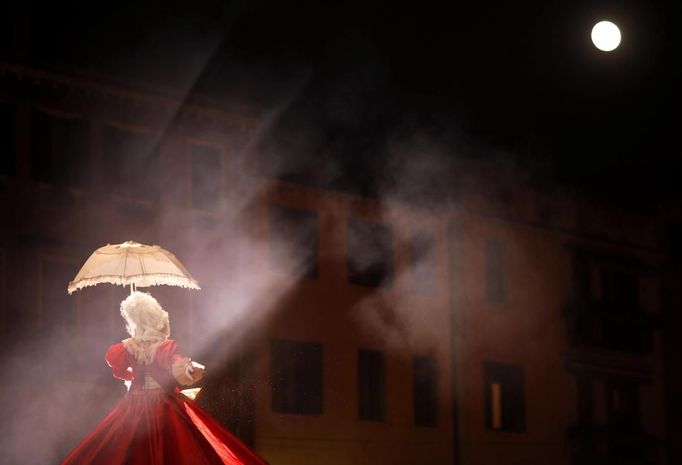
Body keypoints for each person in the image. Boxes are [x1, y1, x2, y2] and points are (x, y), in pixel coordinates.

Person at [60, 291, 269, 465]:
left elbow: (120, 370)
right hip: (163, 405)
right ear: (156, 320)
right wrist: (188, 369)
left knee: (124, 450)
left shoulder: (126, 348)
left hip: (133, 406)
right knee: (180, 449)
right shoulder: (163, 347)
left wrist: (135, 376)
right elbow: (177, 367)